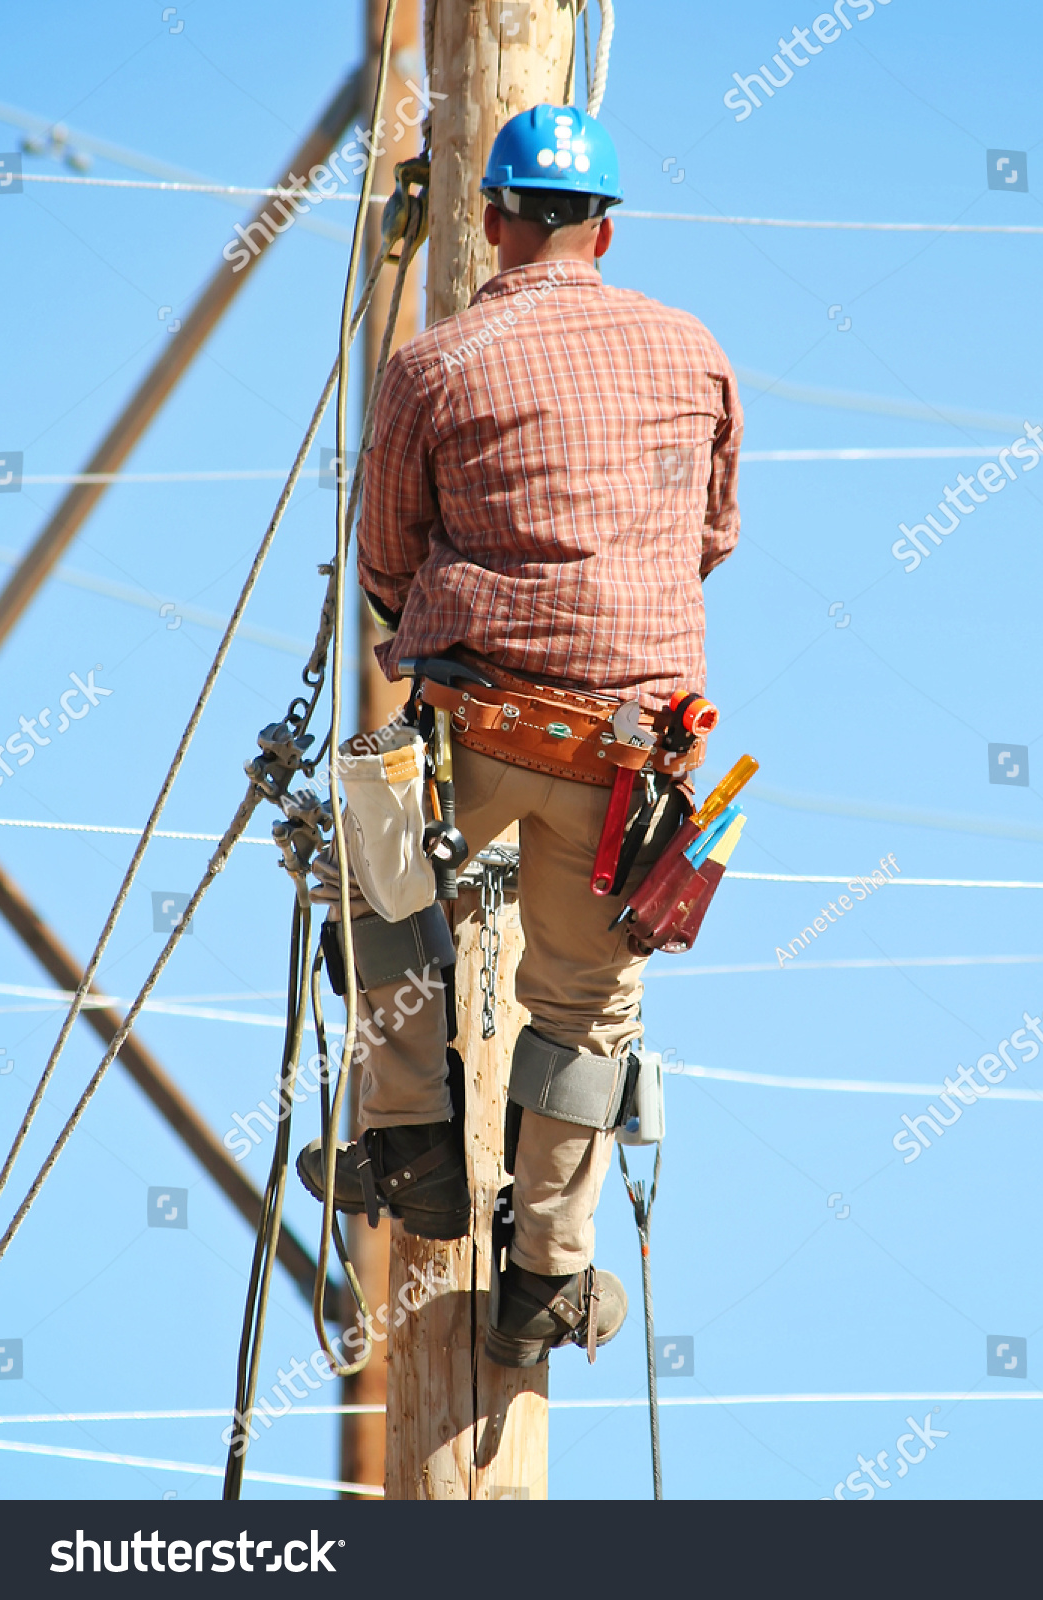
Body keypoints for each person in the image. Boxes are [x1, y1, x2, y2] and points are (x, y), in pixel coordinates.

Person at [296, 103, 742, 1367]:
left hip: (475, 725)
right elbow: (712, 538)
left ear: (488, 219)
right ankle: (547, 1275)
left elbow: (385, 562)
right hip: (629, 759)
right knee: (587, 1011)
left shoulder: (432, 364)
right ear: (606, 226)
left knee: (371, 884)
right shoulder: (692, 349)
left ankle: (411, 1147)